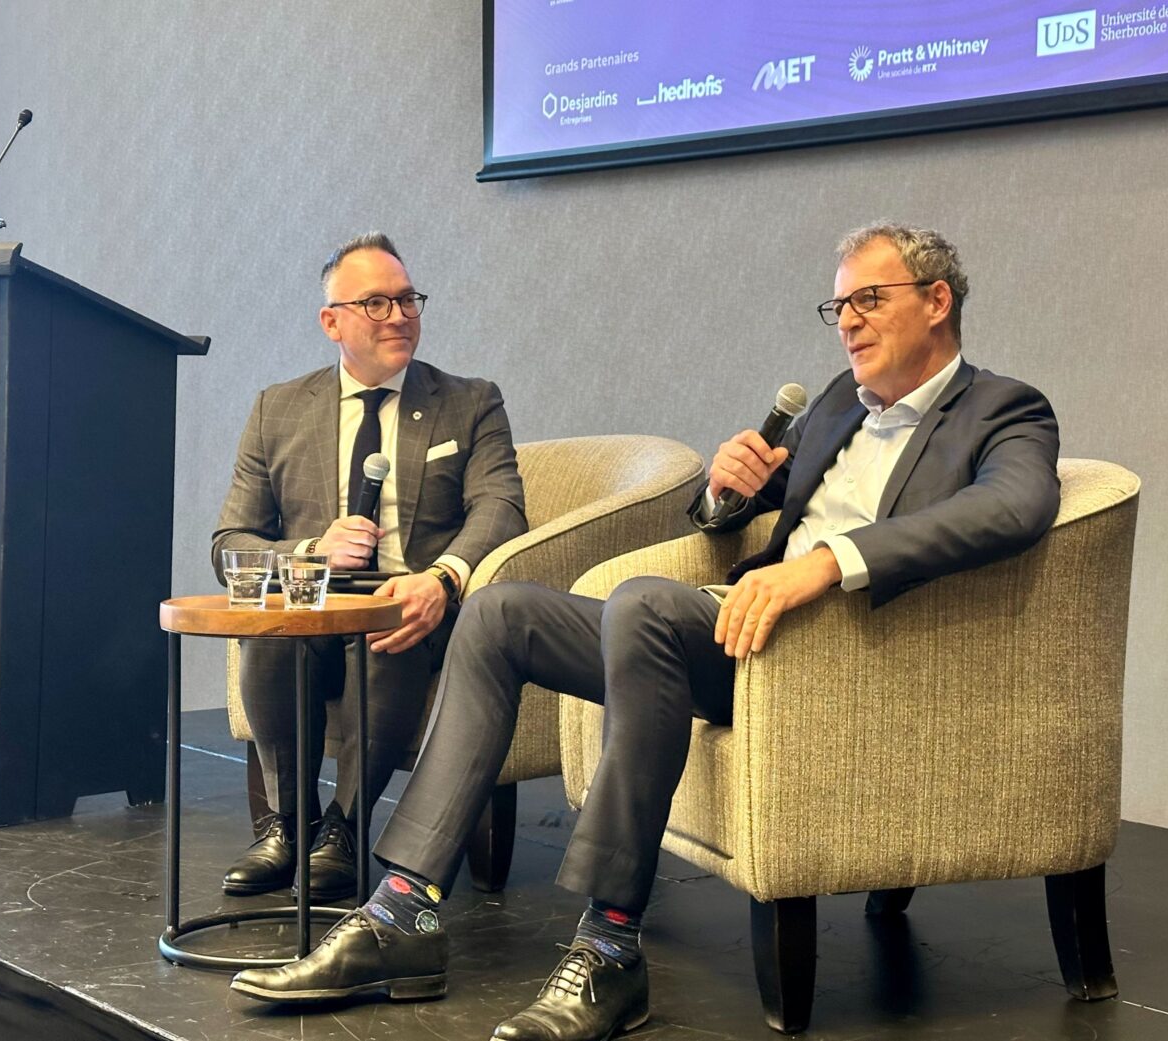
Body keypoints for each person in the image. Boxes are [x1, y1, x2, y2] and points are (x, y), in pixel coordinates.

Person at [229, 223, 1061, 1041]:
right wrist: (727, 492)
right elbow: (741, 512)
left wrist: (827, 562)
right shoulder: (839, 404)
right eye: (837, 306)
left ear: (937, 300)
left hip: (829, 646)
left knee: (644, 604)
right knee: (500, 610)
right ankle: (402, 914)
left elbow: (1015, 506)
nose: (847, 322)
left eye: (868, 300)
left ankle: (609, 945)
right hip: (733, 631)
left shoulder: (1003, 408)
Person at [211, 232, 526, 902]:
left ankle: (346, 829)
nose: (400, 316)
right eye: (377, 303)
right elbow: (230, 541)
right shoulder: (277, 409)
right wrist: (310, 552)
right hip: (317, 602)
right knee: (272, 633)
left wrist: (441, 578)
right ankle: (289, 826)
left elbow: (501, 508)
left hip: (414, 604)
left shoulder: (470, 402)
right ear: (333, 322)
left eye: (408, 300)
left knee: (390, 631)